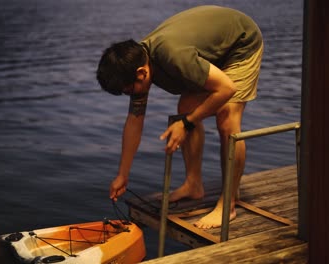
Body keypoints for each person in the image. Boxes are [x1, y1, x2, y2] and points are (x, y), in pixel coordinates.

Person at [96, 5, 263, 229]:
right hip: (212, 49)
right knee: (186, 106)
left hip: (241, 42)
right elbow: (135, 121)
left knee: (227, 117)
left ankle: (228, 204)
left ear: (141, 73)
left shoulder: (173, 56)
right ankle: (194, 185)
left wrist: (187, 123)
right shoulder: (138, 62)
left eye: (129, 91)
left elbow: (226, 89)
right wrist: (122, 175)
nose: (131, 96)